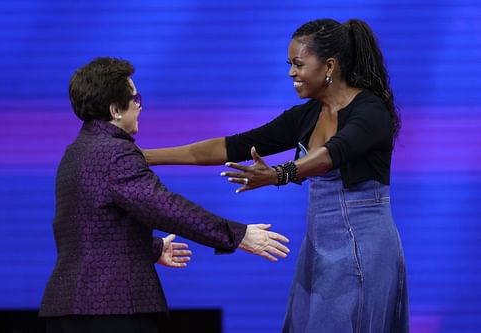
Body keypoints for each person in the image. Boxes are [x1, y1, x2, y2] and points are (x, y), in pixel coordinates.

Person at [142, 19, 409, 332]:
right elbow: (231, 146)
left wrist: (280, 174)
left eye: (298, 64)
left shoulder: (371, 110)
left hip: (362, 247)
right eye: (290, 65)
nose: (291, 74)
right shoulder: (307, 115)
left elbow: (333, 154)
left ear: (329, 66)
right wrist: (144, 156)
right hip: (320, 247)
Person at [39, 57, 290, 333]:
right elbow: (165, 207)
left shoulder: (75, 152)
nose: (140, 105)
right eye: (135, 98)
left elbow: (90, 228)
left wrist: (152, 248)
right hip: (112, 309)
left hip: (66, 308)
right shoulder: (115, 153)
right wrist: (236, 234)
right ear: (115, 110)